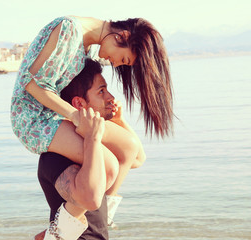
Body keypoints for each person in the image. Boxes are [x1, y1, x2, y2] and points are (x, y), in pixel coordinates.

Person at [10, 15, 173, 238]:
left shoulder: (84, 44)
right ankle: (56, 235)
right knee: (108, 166)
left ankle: (103, 219)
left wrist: (114, 118)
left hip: (57, 114)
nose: (115, 64)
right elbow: (33, 85)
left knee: (129, 147)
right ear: (121, 36)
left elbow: (136, 157)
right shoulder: (68, 29)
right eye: (123, 59)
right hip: (34, 119)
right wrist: (76, 117)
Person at [35, 59, 145, 240]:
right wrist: (92, 138)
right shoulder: (55, 156)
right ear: (79, 105)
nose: (111, 97)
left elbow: (137, 158)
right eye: (101, 91)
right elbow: (89, 197)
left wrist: (120, 121)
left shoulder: (95, 147)